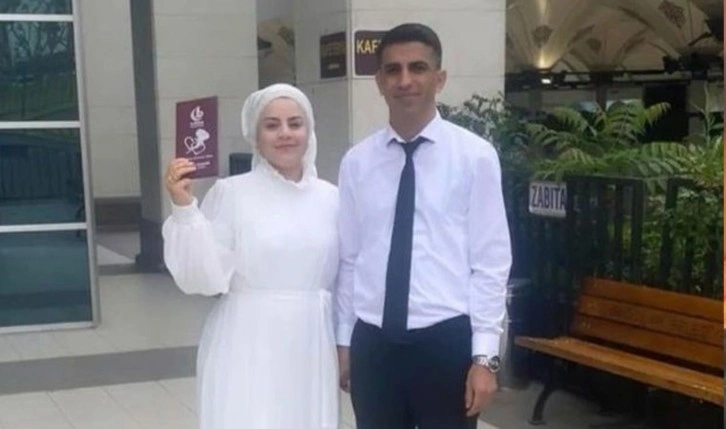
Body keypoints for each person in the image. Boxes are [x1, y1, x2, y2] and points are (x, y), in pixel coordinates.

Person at [335, 23, 512, 429]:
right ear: (379, 82)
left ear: (439, 78)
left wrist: (485, 357)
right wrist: (345, 340)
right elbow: (350, 258)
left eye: (417, 68)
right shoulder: (357, 163)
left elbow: (490, 261)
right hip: (374, 345)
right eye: (393, 70)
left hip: (445, 343)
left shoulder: (475, 157)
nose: (405, 80)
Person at [163, 83, 339, 429]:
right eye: (272, 125)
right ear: (255, 136)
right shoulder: (232, 193)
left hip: (311, 340)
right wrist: (185, 209)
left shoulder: (331, 198)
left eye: (295, 123)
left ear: (309, 131)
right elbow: (203, 276)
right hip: (248, 340)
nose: (285, 133)